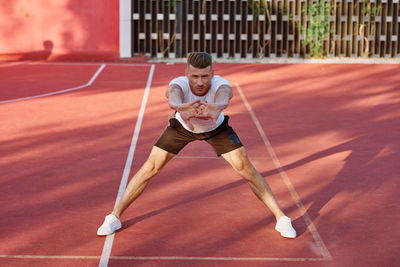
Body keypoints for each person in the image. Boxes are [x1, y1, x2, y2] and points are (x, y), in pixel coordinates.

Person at [97, 52, 296, 239]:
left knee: (246, 169)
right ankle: (114, 217)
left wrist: (217, 108)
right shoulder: (179, 84)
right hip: (182, 128)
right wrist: (179, 107)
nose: (200, 82)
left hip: (216, 129)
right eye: (194, 76)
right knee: (150, 168)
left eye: (204, 76)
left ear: (212, 74)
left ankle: (281, 218)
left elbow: (225, 95)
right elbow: (172, 94)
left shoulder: (220, 84)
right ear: (186, 74)